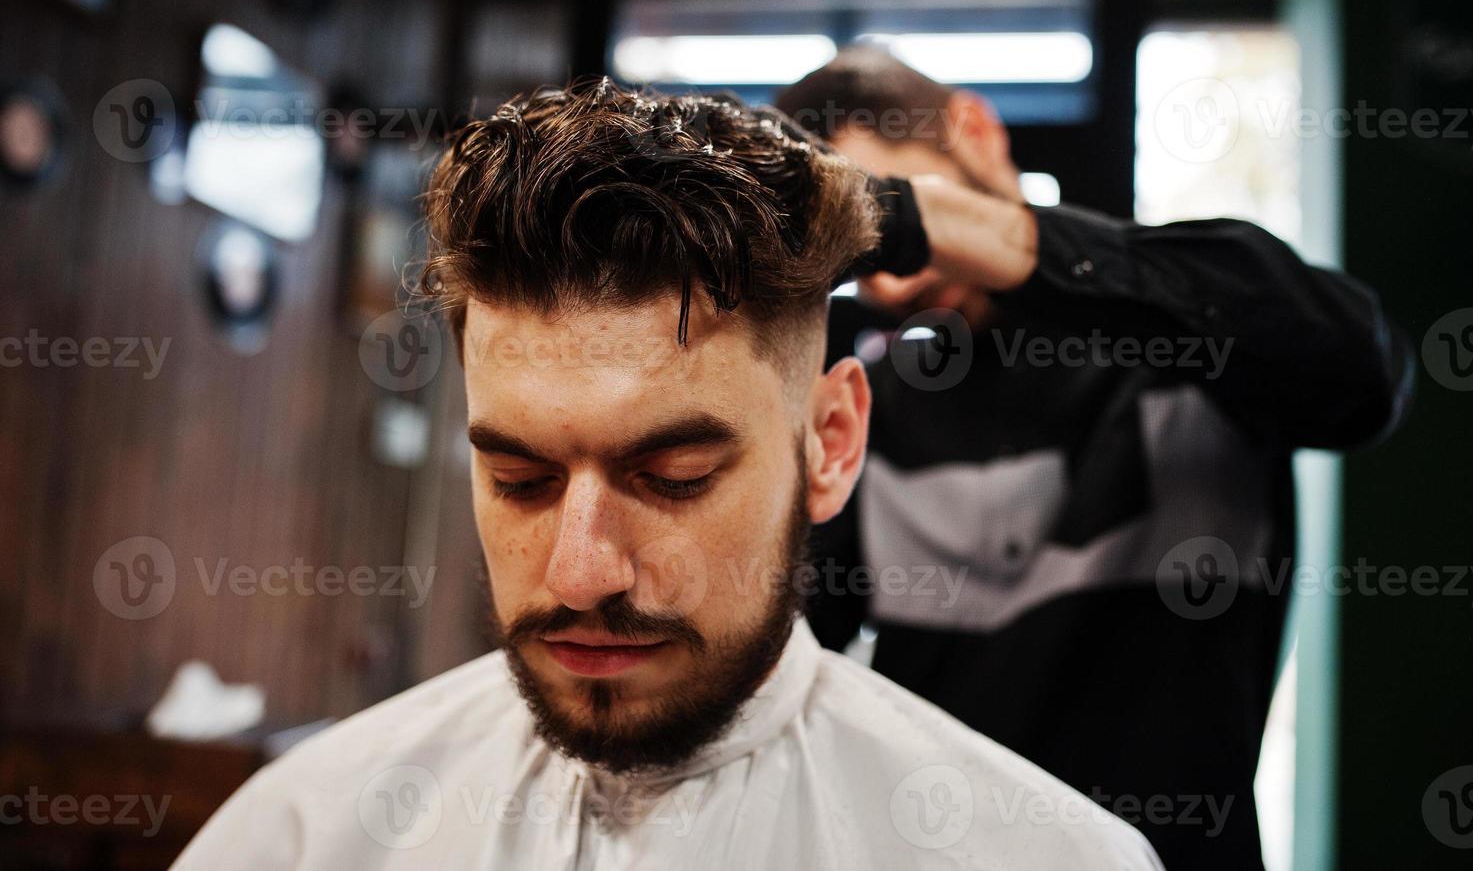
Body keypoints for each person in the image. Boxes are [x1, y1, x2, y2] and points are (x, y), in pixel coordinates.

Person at [172, 79, 1162, 870]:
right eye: (519, 477)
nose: (579, 571)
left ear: (831, 443)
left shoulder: (1041, 851)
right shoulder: (307, 833)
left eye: (674, 473)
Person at [775, 47, 1414, 870]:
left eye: (892, 218)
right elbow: (784, 673)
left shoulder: (1192, 351)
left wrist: (976, 235)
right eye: (858, 258)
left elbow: (1363, 373)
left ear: (974, 131)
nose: (888, 287)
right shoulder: (872, 415)